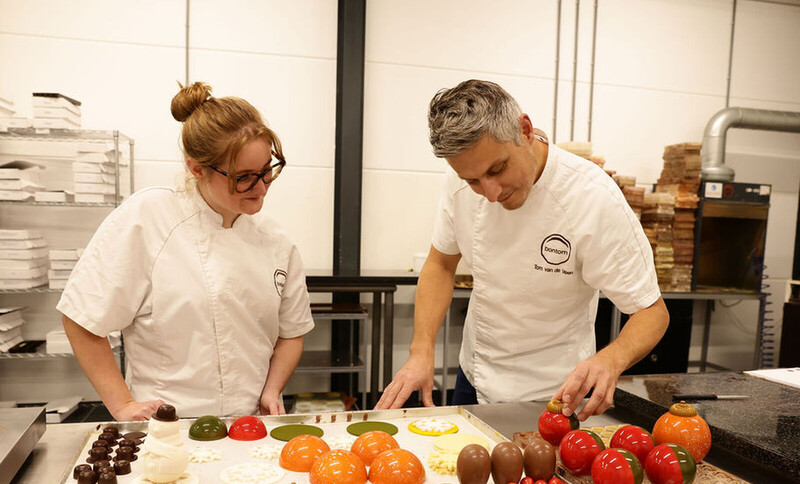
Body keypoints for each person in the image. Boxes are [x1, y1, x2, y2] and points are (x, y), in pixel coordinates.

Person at [376, 79, 669, 420]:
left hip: (556, 392)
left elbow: (652, 312)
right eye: (473, 181)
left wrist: (611, 359)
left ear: (525, 130)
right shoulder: (460, 181)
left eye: (497, 169)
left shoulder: (592, 198)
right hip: (475, 377)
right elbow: (441, 263)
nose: (490, 193)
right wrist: (420, 350)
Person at [58, 82, 314, 421]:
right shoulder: (149, 217)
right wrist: (122, 405)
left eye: (267, 170)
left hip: (249, 426)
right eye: (245, 177)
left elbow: (291, 332)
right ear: (197, 169)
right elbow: (82, 317)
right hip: (168, 425)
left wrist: (271, 388)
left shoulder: (275, 240)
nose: (262, 186)